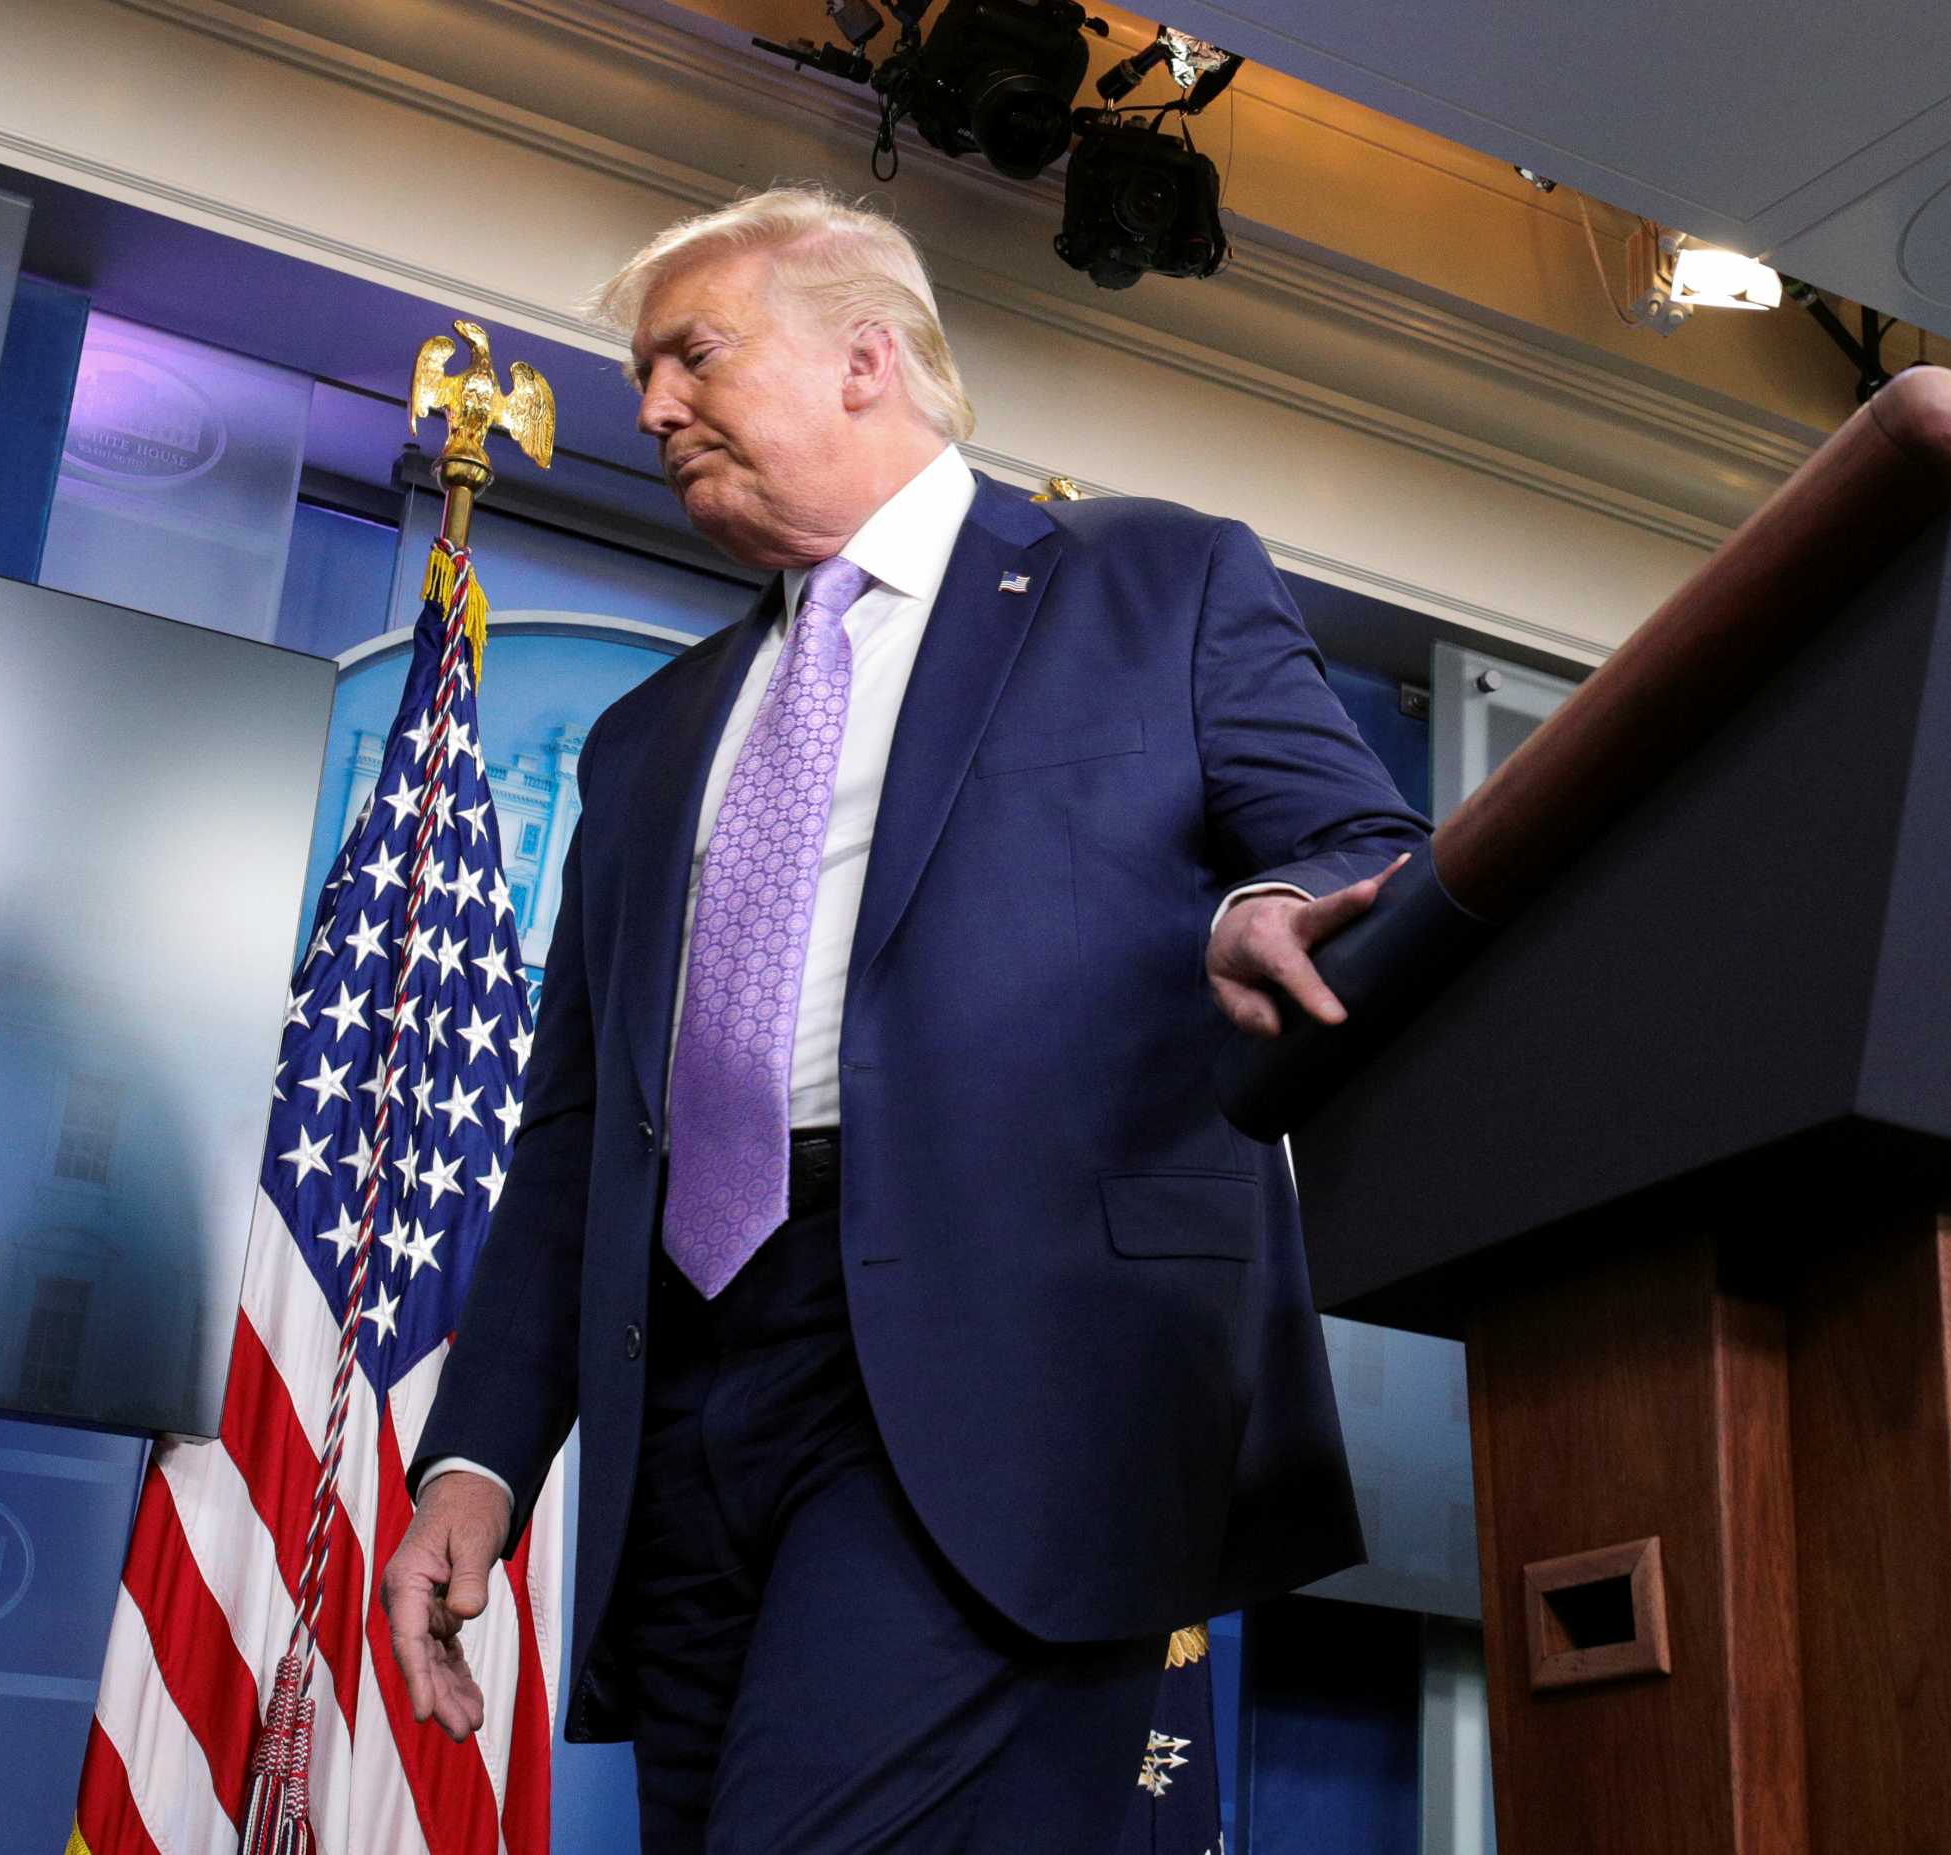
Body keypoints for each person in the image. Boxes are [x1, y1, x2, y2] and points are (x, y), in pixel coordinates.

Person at [373, 185, 1427, 1852]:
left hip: (996, 1359)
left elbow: (1366, 854)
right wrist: (477, 1466)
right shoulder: (646, 743)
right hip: (689, 1403)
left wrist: (1258, 911)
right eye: (646, 373)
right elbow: (575, 1140)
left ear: (867, 357)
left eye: (693, 354)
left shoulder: (1152, 583)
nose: (649, 407)